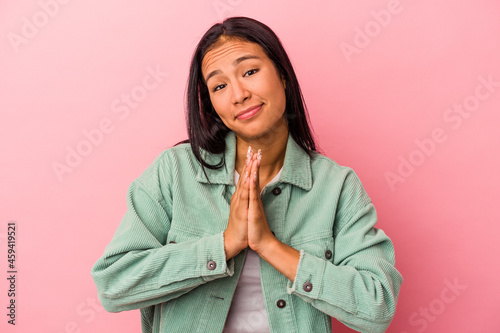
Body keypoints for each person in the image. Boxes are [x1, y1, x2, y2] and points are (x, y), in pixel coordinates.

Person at [91, 16, 403, 333]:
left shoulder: (336, 186)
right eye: (220, 86)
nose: (238, 94)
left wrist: (270, 246)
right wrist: (224, 245)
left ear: (282, 75)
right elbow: (113, 284)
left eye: (250, 71)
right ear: (211, 104)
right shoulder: (175, 172)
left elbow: (376, 308)